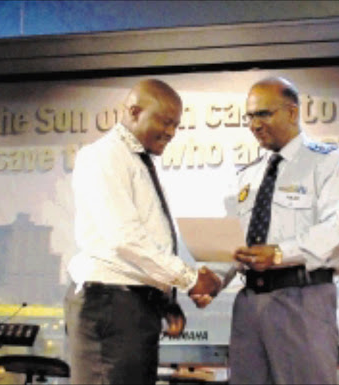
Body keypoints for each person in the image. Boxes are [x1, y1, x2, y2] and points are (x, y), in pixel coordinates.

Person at [63, 79, 221, 384]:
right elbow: (124, 238)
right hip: (109, 307)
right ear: (134, 112)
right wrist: (190, 279)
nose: (171, 133)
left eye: (176, 125)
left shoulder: (136, 160)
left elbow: (143, 243)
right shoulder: (104, 156)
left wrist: (164, 300)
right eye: (165, 122)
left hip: (130, 307)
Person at [227, 76, 339, 384]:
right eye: (249, 116)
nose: (254, 124)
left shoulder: (328, 164)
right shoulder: (247, 175)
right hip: (249, 305)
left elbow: (338, 231)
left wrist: (278, 254)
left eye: (263, 114)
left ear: (292, 113)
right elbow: (237, 241)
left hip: (303, 298)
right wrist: (213, 277)